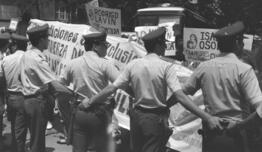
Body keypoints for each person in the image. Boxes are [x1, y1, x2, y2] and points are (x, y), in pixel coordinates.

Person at [82, 27, 223, 152]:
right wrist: (207, 117)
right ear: (158, 45)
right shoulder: (165, 67)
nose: (166, 46)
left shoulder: (133, 64)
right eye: (164, 43)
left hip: (136, 117)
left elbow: (112, 88)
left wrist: (91, 101)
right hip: (155, 119)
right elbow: (180, 96)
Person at [181, 21, 262, 152]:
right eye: (242, 42)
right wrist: (240, 126)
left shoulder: (204, 67)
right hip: (236, 136)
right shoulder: (244, 70)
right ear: (237, 43)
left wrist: (207, 117)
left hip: (211, 134)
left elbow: (181, 95)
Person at [60, 31, 120, 152]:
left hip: (79, 112)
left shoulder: (72, 63)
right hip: (99, 114)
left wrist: (72, 100)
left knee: (78, 149)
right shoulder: (105, 64)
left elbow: (60, 85)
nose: (106, 49)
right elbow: (120, 82)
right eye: (105, 45)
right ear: (95, 46)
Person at [20, 24, 70, 152]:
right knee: (38, 141)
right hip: (36, 101)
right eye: (47, 37)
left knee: (35, 138)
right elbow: (53, 84)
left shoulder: (26, 55)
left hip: (28, 100)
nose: (49, 40)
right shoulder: (37, 59)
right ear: (41, 40)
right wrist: (73, 94)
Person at [2, 33, 28, 152]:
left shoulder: (6, 59)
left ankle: (14, 147)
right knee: (20, 130)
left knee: (13, 127)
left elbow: (2, 80)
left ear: (15, 45)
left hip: (10, 96)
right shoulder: (27, 58)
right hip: (21, 97)